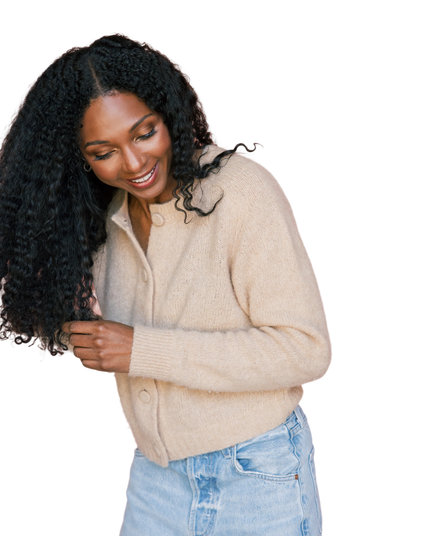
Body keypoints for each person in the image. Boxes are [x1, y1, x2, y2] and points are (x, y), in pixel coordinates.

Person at [0, 31, 334, 535]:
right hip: (155, 476)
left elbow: (307, 351)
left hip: (256, 474)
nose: (134, 163)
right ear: (79, 157)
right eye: (103, 151)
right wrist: (80, 336)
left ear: (167, 112)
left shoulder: (238, 190)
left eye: (144, 132)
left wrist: (139, 350)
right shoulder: (100, 221)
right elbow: (111, 338)